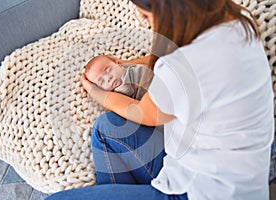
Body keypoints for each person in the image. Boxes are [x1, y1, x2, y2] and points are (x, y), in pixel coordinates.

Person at [46, 0, 274, 199]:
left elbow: (142, 112)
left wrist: (97, 92)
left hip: (199, 192)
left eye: (146, 15)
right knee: (106, 128)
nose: (145, 23)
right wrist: (119, 65)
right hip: (230, 176)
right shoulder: (238, 20)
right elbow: (161, 60)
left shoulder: (182, 66)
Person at [85, 55, 153, 100]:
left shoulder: (130, 72)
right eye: (102, 81)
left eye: (109, 70)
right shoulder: (112, 93)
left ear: (119, 65)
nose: (108, 78)